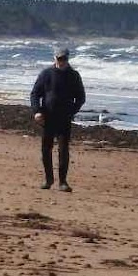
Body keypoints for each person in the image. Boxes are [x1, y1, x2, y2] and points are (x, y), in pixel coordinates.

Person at [30, 46, 86, 191]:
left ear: (68, 59)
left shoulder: (74, 75)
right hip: (47, 117)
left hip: (64, 119)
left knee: (63, 150)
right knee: (46, 149)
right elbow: (35, 94)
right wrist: (37, 112)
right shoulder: (46, 74)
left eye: (64, 59)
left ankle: (63, 182)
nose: (61, 61)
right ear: (54, 58)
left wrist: (72, 111)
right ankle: (48, 180)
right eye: (59, 59)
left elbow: (81, 97)